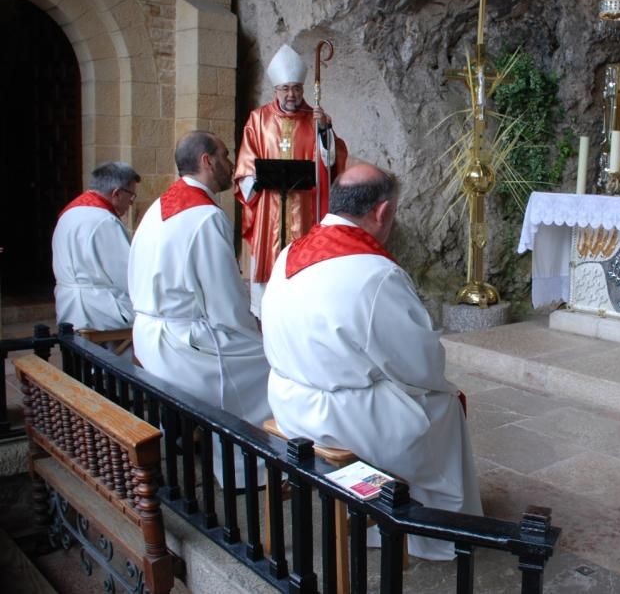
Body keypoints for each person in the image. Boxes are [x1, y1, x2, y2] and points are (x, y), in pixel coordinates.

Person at [262, 163, 482, 561]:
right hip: (341, 418)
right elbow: (421, 366)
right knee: (444, 407)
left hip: (287, 401)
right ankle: (432, 530)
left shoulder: (289, 253)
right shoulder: (375, 273)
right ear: (383, 211)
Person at [129, 130, 271, 485]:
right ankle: (248, 470)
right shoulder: (205, 216)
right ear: (207, 161)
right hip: (181, 345)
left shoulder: (158, 207)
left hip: (148, 335)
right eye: (225, 155)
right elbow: (226, 305)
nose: (231, 164)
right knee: (274, 363)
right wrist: (257, 328)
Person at [235, 44, 350, 316]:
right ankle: (267, 315)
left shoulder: (316, 119)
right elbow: (245, 166)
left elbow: (332, 162)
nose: (291, 94)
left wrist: (324, 132)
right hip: (270, 209)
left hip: (305, 207)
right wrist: (255, 180)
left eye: (297, 88)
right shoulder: (258, 120)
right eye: (285, 88)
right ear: (276, 90)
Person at [52, 161, 140, 331]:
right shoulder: (105, 221)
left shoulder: (69, 212)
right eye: (131, 196)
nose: (130, 203)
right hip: (100, 310)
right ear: (117, 193)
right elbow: (127, 276)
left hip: (67, 306)